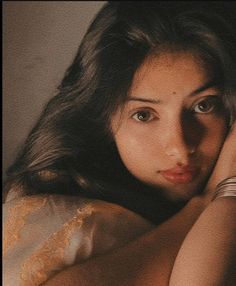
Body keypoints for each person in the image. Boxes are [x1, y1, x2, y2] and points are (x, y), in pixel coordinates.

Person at [3, 1, 236, 285]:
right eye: (144, 115)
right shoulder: (58, 219)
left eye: (204, 106)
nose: (180, 146)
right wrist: (210, 199)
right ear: (101, 118)